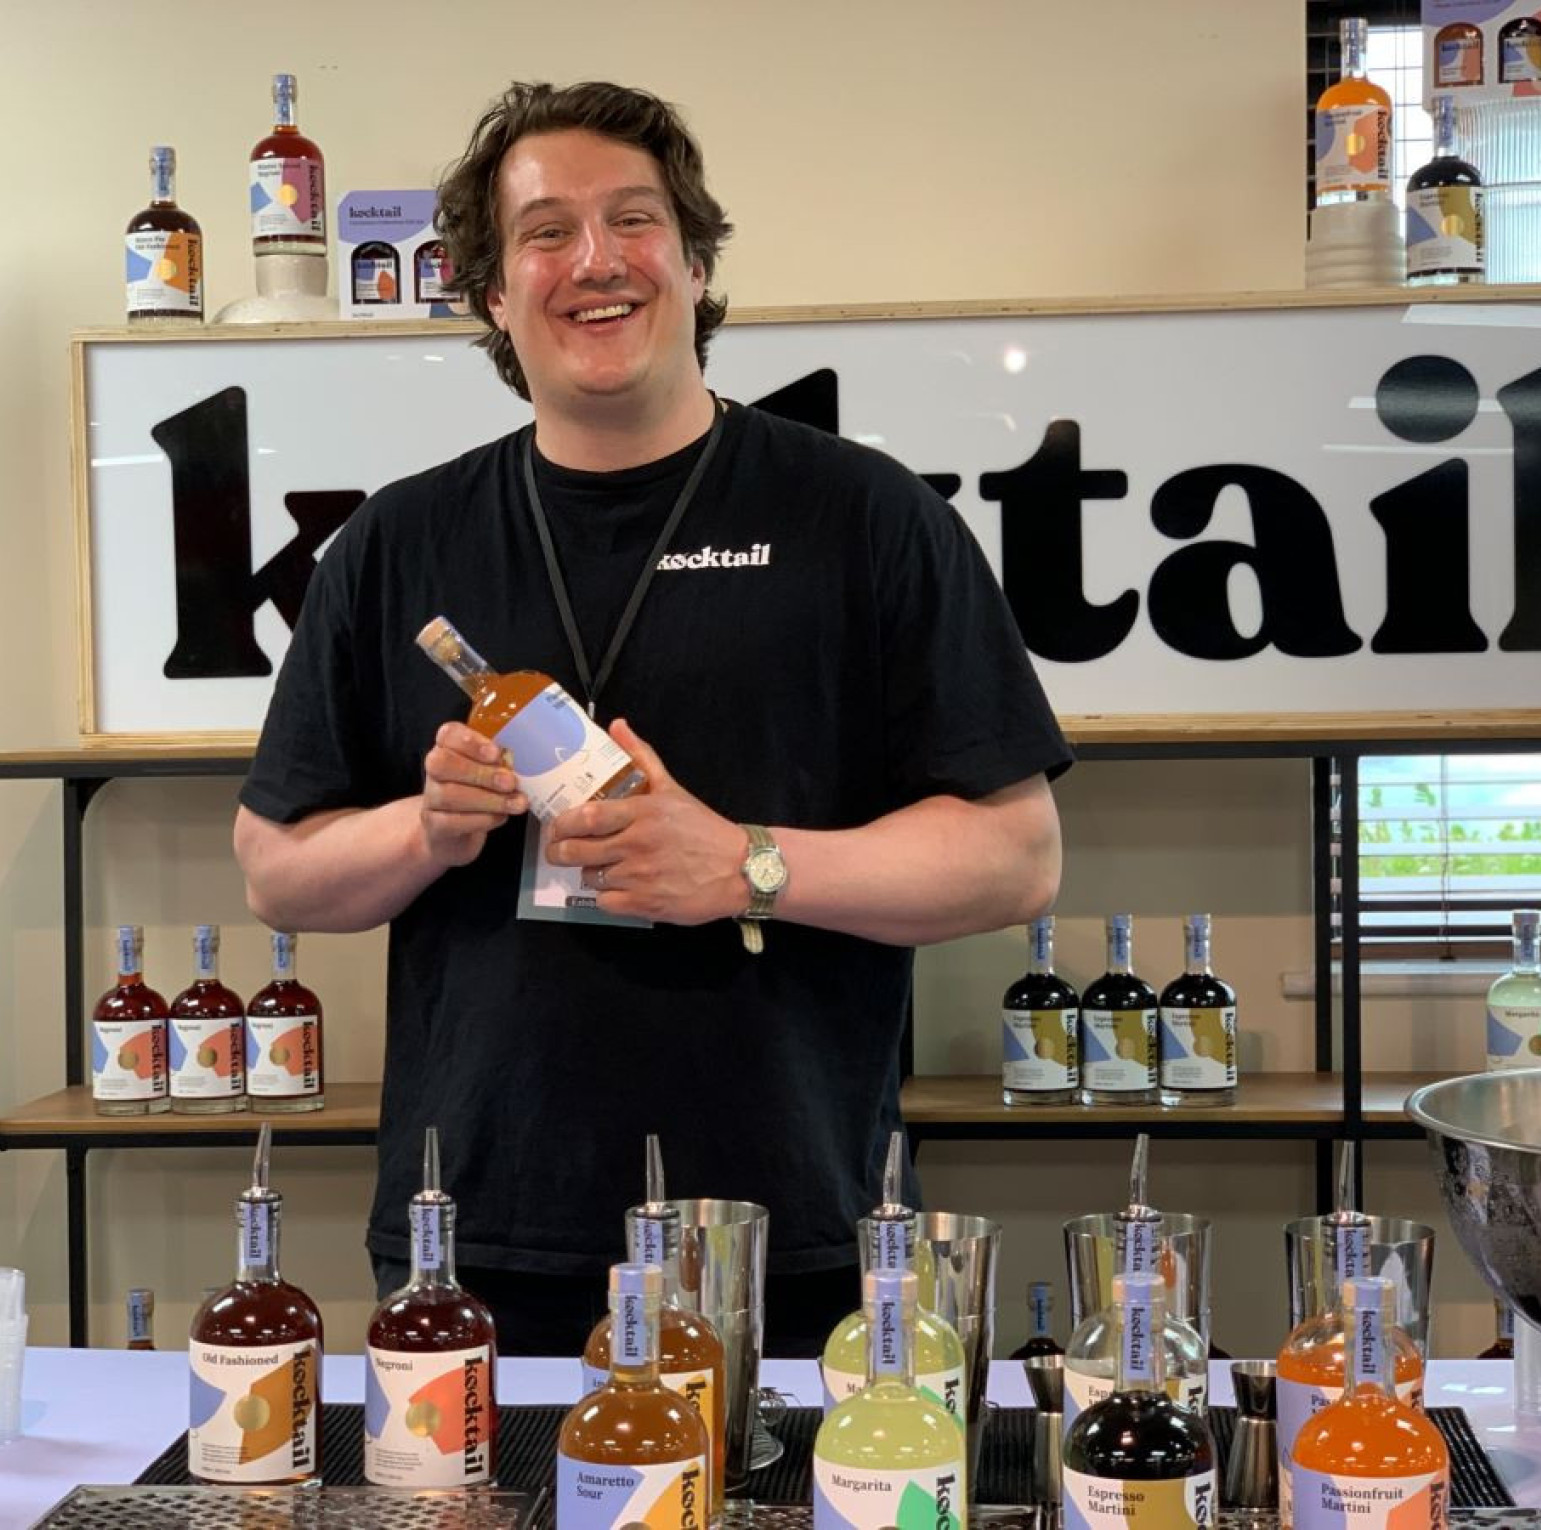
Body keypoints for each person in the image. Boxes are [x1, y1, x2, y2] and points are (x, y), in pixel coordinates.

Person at [233, 80, 1071, 1356]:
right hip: (476, 1228)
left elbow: (1018, 856)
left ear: (692, 258)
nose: (594, 261)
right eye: (544, 231)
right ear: (492, 292)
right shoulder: (396, 542)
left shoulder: (865, 517)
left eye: (633, 219)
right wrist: (429, 828)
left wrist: (745, 866)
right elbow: (276, 871)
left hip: (788, 1225)